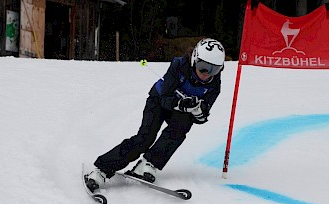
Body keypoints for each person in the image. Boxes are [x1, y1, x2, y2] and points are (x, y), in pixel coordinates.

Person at [85, 38, 225, 192]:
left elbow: (201, 118)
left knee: (182, 127)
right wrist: (181, 104)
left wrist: (199, 112)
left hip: (179, 110)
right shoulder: (179, 65)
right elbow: (165, 98)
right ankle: (101, 169)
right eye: (203, 67)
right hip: (158, 101)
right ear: (194, 59)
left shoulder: (214, 85)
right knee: (145, 138)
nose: (207, 74)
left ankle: (148, 163)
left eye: (214, 69)